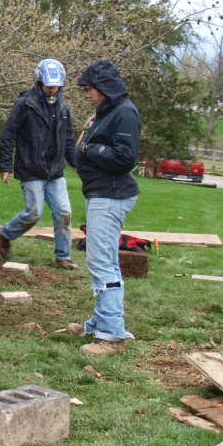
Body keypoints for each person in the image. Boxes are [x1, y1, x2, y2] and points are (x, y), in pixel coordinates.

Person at [69, 59, 141, 356]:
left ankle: (111, 335)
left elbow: (125, 157)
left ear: (104, 88)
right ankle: (99, 322)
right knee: (102, 259)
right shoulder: (108, 111)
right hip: (101, 193)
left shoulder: (124, 113)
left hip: (111, 196)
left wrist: (88, 150)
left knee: (102, 263)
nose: (88, 94)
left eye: (91, 89)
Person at [0, 58, 78, 269]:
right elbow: (8, 135)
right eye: (48, 86)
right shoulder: (26, 104)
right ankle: (6, 234)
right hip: (30, 168)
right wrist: (5, 166)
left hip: (55, 171)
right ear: (39, 82)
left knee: (64, 213)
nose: (52, 90)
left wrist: (76, 163)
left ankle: (63, 256)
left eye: (56, 87)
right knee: (34, 213)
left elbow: (68, 139)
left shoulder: (63, 107)